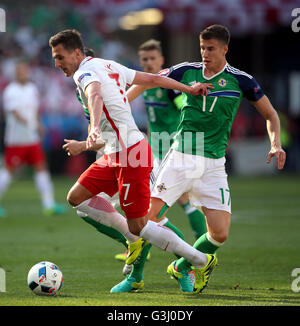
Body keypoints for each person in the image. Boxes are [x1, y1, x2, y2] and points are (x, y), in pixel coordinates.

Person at [49, 29, 216, 294]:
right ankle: (132, 241)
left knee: (145, 223)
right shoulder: (108, 66)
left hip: (132, 155)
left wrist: (92, 127)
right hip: (115, 154)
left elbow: (94, 95)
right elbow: (152, 79)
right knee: (78, 199)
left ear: (77, 54)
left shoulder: (84, 73)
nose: (57, 64)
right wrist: (189, 88)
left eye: (60, 57)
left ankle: (197, 261)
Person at [126, 24, 286, 294]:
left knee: (220, 233)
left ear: (225, 49)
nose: (205, 53)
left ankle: (181, 266)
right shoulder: (185, 71)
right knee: (146, 219)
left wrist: (276, 143)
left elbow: (270, 114)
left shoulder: (242, 80)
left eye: (210, 48)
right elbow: (150, 79)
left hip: (213, 164)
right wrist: (121, 103)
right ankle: (135, 277)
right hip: (181, 155)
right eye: (202, 47)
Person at [0, 60, 66, 217]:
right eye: (21, 71)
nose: (24, 73)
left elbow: (34, 111)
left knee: (41, 167)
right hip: (17, 139)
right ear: (15, 73)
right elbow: (15, 113)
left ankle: (49, 205)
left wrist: (38, 125)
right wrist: (34, 125)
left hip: (32, 138)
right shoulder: (11, 91)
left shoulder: (31, 89)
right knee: (9, 171)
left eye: (25, 71)